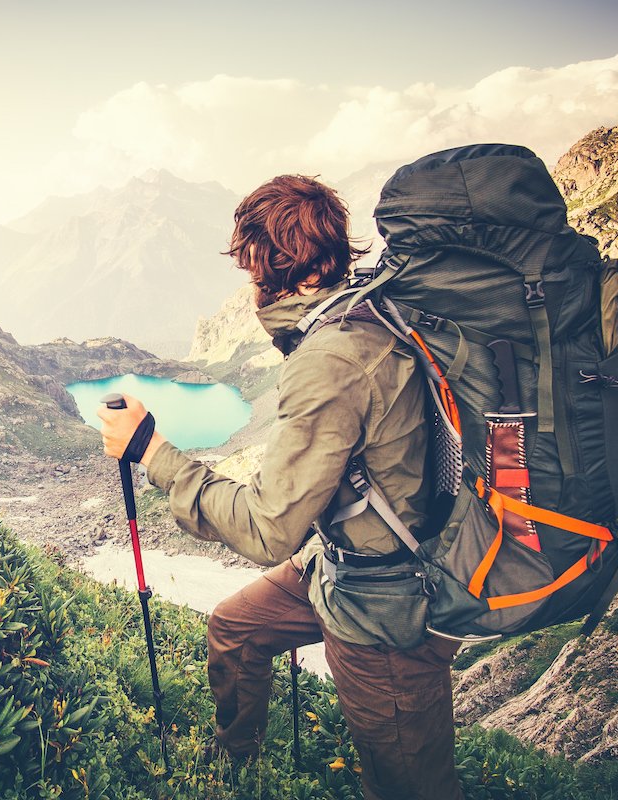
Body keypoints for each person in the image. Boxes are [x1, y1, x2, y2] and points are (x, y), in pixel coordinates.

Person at [98, 174, 464, 800]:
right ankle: (234, 769)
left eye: (251, 267)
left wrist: (151, 451)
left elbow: (269, 529)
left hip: (388, 607)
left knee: (408, 787)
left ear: (266, 268)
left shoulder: (332, 359)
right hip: (340, 565)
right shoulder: (363, 310)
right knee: (236, 629)